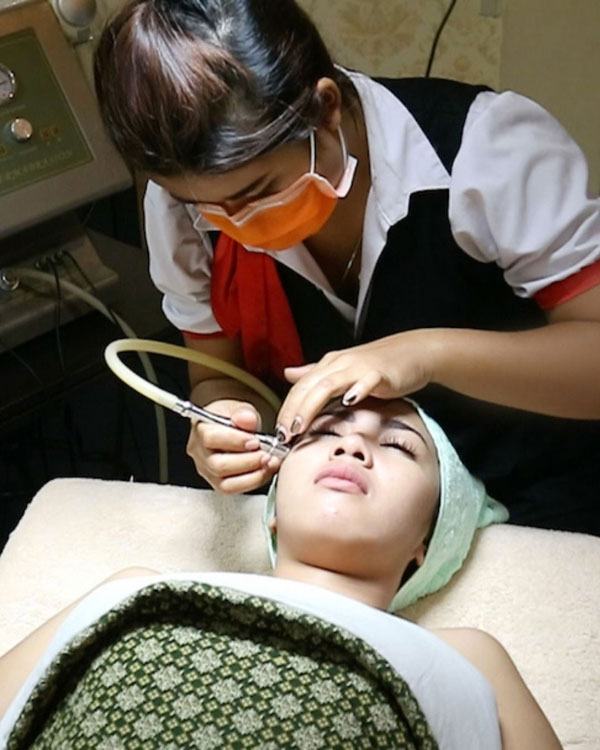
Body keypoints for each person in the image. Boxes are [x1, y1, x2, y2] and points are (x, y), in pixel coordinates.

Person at [93, 0, 600, 534]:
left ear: (326, 108)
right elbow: (217, 376)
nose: (238, 226)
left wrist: (424, 354)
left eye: (259, 191)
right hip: (351, 521)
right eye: (210, 208)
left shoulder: (484, 152)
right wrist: (226, 425)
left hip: (539, 496)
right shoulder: (181, 208)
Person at [0, 399, 560, 749]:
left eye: (397, 446)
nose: (351, 445)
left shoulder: (469, 656)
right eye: (322, 434)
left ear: (426, 542)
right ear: (271, 516)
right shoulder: (139, 589)